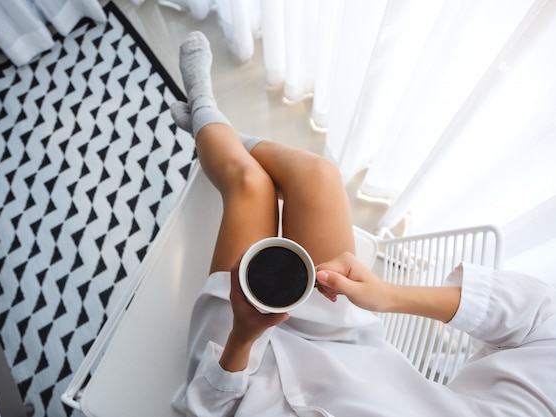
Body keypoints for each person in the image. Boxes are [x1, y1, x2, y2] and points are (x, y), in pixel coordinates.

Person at [170, 31, 556, 417]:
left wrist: (242, 335)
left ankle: (206, 114)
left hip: (245, 380)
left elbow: (204, 409)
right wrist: (386, 295)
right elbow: (541, 316)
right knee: (320, 175)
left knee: (251, 185)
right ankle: (217, 132)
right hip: (348, 346)